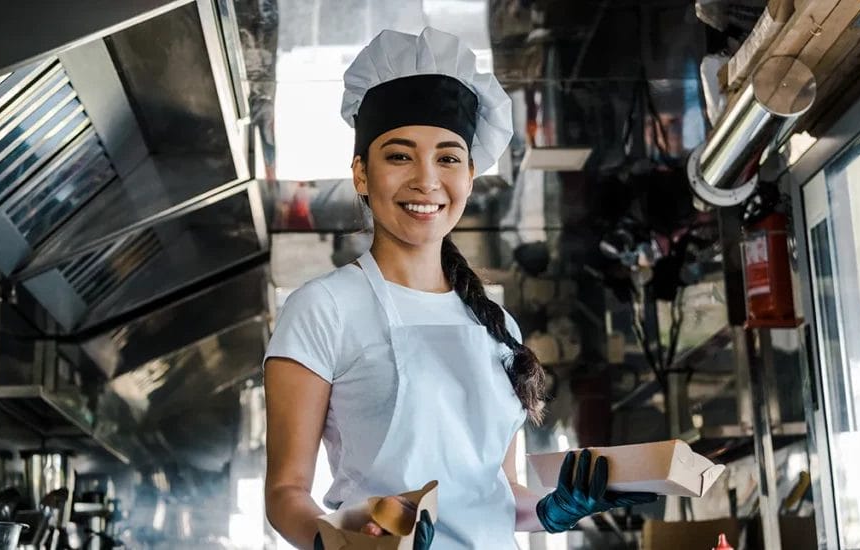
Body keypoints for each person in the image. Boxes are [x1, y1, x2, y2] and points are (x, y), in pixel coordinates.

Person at [263, 27, 657, 550]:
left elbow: (494, 494)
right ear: (361, 173)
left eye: (448, 158)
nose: (427, 181)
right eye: (399, 156)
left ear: (470, 174)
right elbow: (286, 493)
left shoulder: (495, 323)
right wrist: (341, 538)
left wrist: (553, 509)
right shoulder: (323, 308)